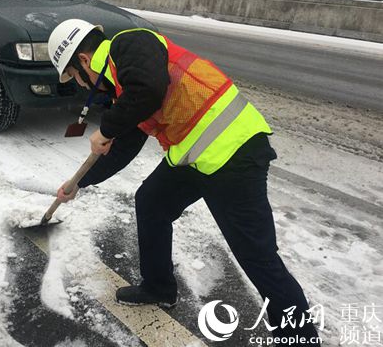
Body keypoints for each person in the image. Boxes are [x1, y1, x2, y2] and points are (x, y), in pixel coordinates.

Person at [47, 19, 320, 345]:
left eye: (79, 79)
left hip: (235, 154)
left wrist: (105, 127)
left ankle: (302, 340)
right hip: (197, 160)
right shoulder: (125, 87)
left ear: (82, 61)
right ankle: (158, 287)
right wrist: (80, 182)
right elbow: (124, 147)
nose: (83, 85)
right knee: (151, 202)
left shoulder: (129, 45)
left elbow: (148, 91)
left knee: (258, 258)